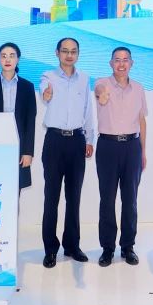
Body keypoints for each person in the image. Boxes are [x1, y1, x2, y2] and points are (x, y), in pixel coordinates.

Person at [39, 37, 96, 268]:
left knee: (74, 197)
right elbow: (44, 92)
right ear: (57, 53)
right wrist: (46, 94)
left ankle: (72, 246)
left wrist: (90, 139)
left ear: (78, 54)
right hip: (54, 141)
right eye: (65, 51)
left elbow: (88, 110)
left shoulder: (84, 78)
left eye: (73, 51)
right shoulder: (48, 76)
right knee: (51, 198)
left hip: (77, 141)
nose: (69, 55)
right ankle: (50, 249)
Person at [92, 47, 148, 266]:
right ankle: (107, 248)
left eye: (125, 60)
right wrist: (102, 94)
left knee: (130, 199)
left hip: (132, 147)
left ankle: (128, 247)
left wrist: (143, 151)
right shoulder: (102, 83)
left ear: (131, 63)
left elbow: (142, 121)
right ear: (111, 63)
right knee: (107, 199)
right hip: (107, 146)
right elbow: (99, 91)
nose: (121, 64)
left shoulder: (139, 88)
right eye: (117, 60)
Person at [0, 42, 37, 193]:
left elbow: (30, 121)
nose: (7, 59)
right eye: (3, 56)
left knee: (14, 190)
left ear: (18, 59)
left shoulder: (27, 86)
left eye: (12, 56)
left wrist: (28, 152)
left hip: (18, 145)